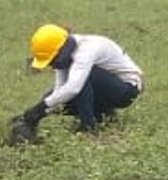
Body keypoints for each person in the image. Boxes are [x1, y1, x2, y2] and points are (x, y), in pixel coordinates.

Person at [11, 24, 144, 137]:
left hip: (127, 90)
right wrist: (34, 115)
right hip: (105, 89)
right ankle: (103, 115)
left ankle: (88, 128)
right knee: (53, 97)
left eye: (52, 61)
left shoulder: (86, 50)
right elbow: (60, 89)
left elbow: (73, 88)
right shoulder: (65, 54)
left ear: (61, 51)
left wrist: (41, 107)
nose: (52, 66)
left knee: (81, 80)